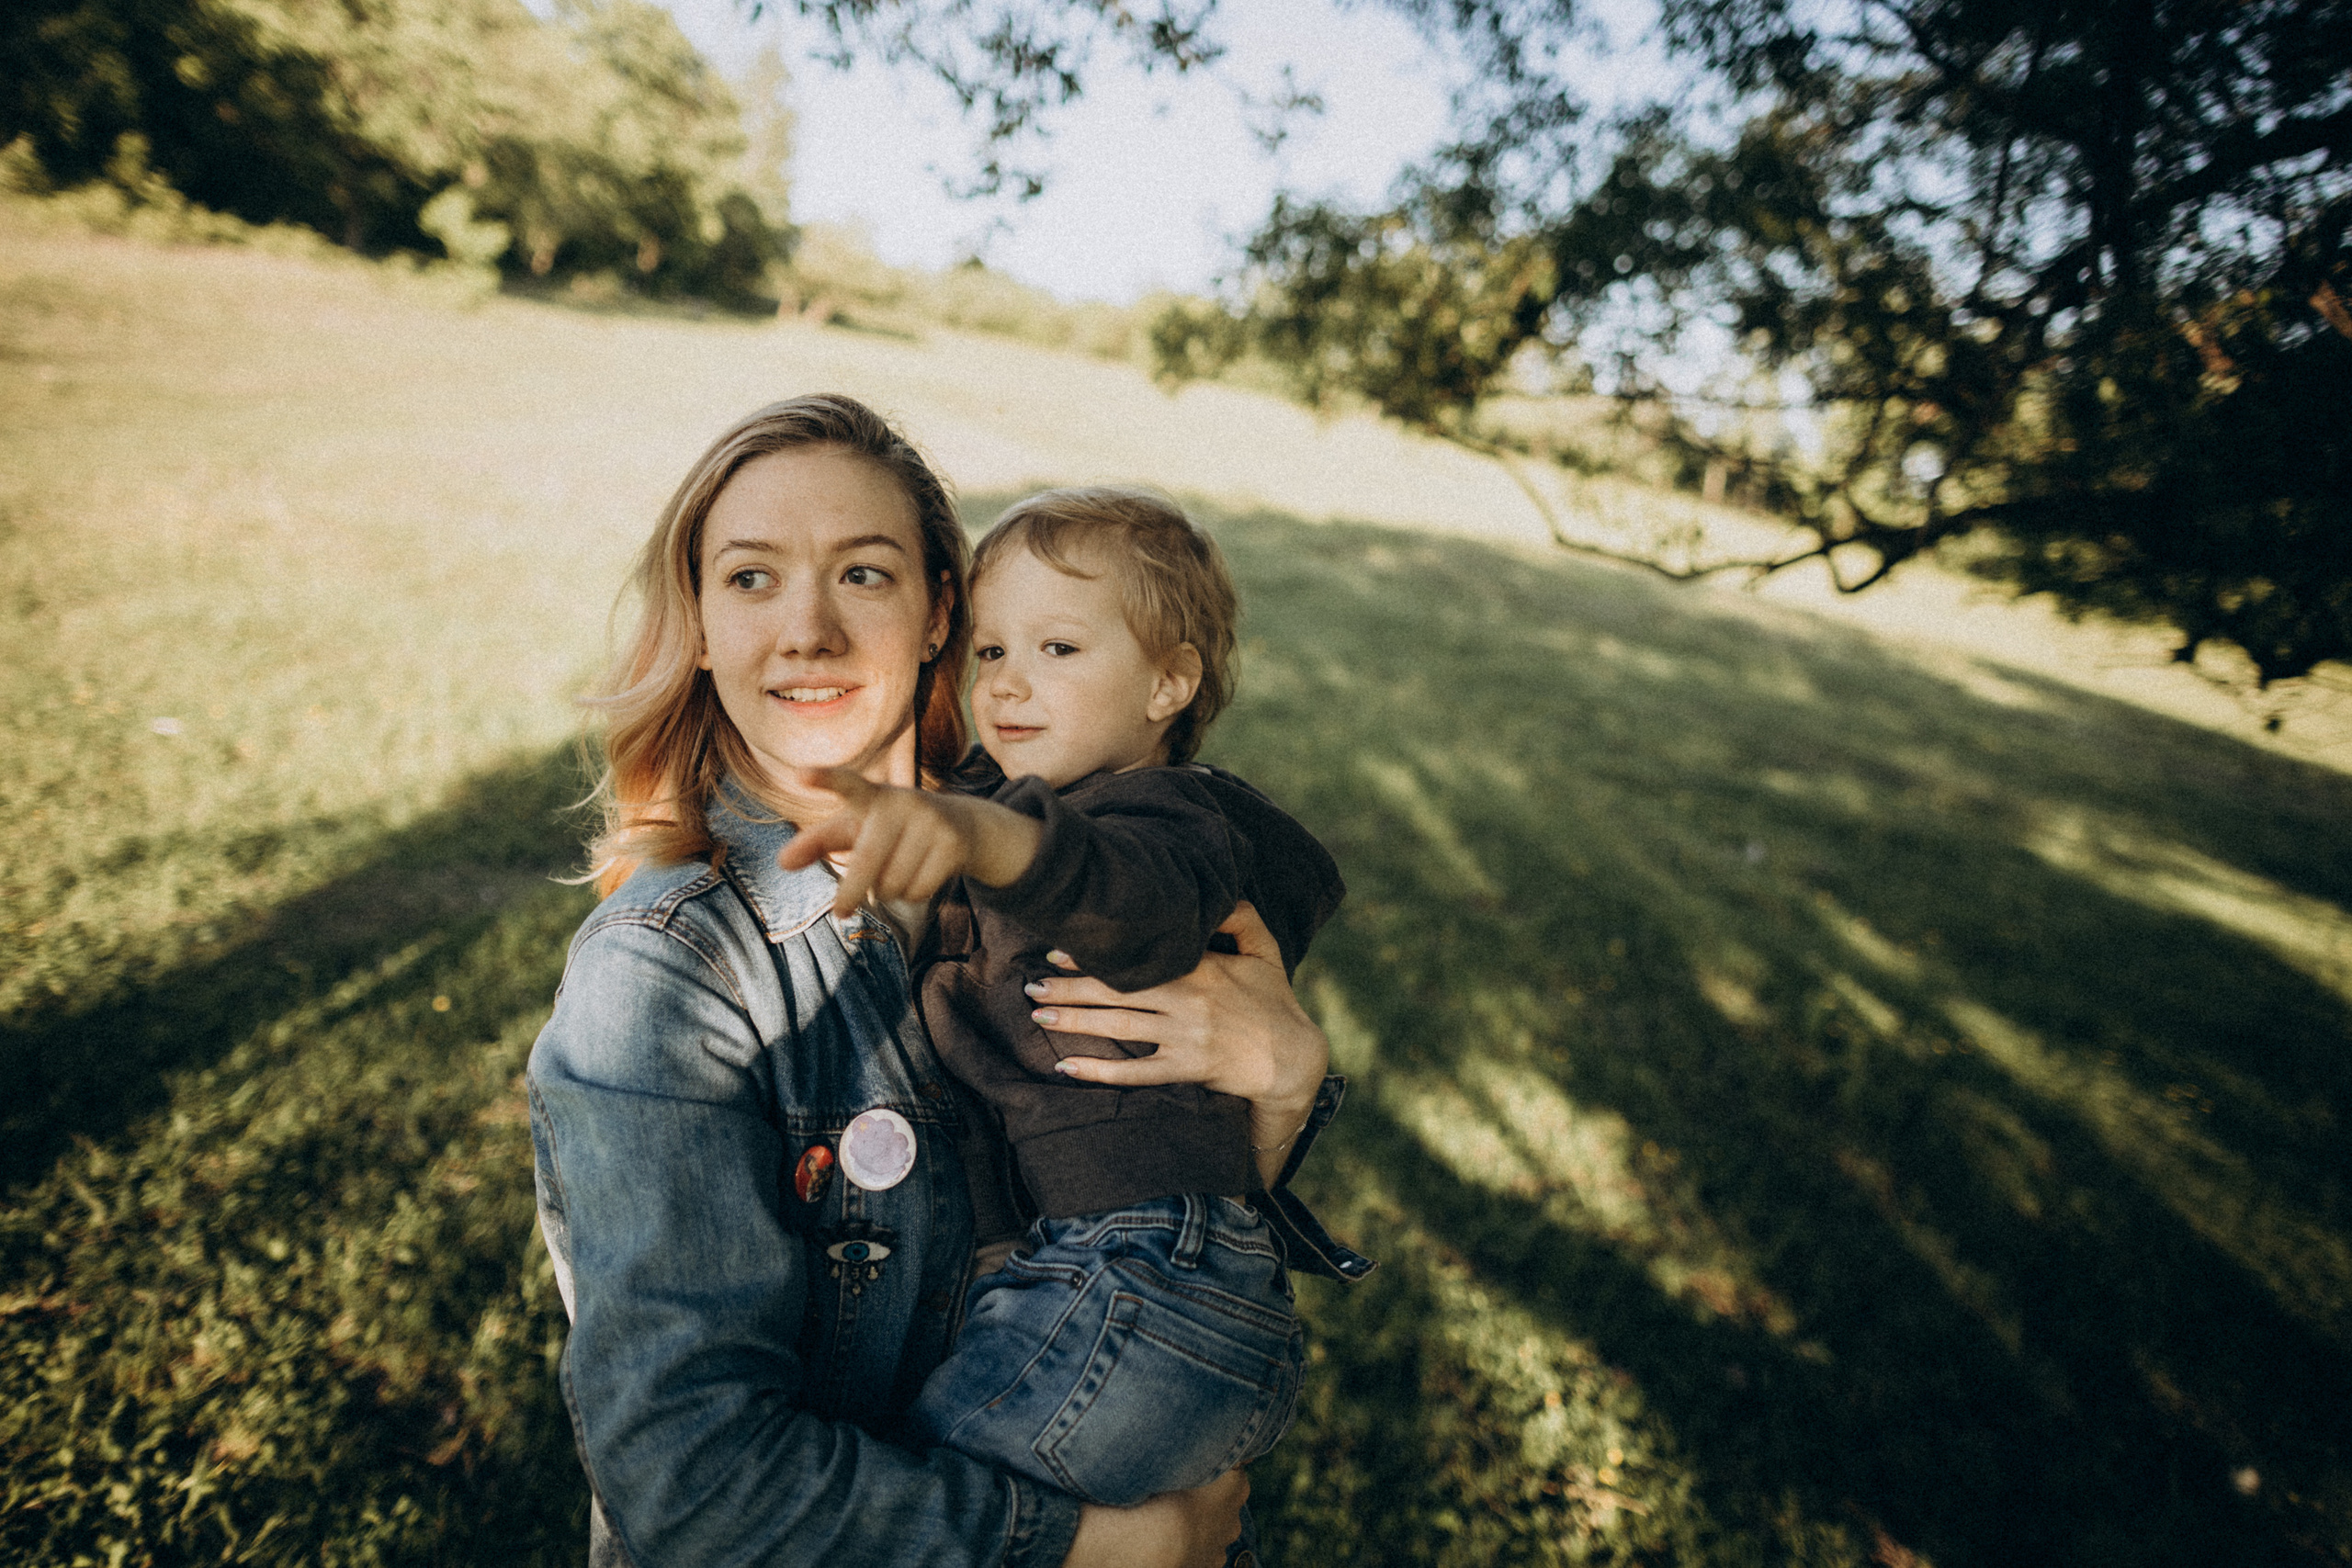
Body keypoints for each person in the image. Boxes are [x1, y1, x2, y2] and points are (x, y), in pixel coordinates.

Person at [526, 394, 1359, 1568]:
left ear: (936, 617)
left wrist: (1280, 1083)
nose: (806, 628)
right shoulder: (665, 975)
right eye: (752, 579)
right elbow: (694, 1486)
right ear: (701, 627)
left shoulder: (1066, 832)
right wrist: (1116, 1551)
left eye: (862, 575)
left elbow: (1133, 1195)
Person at [775, 486, 1371, 1511]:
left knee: (899, 1511)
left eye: (1058, 650)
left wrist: (981, 836)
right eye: (993, 652)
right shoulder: (1006, 782)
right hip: (1101, 1272)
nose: (1008, 684)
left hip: (1142, 1270)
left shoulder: (1167, 824)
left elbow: (1117, 894)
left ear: (1167, 684)